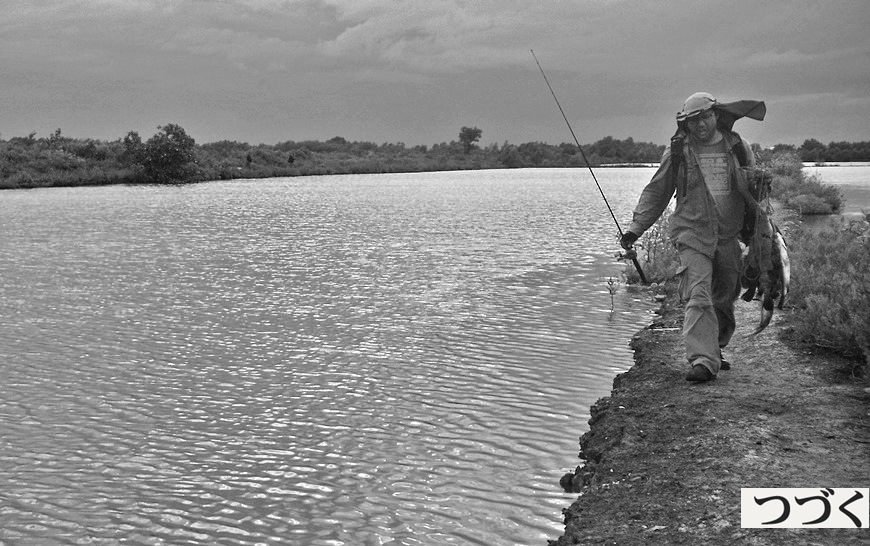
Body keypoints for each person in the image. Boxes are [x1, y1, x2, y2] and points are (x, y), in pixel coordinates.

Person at [620, 92, 760, 382]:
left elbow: (755, 192)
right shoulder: (678, 151)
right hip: (691, 233)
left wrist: (760, 229)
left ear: (716, 115)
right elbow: (657, 192)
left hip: (728, 234)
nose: (700, 126)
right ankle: (703, 361)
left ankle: (715, 348)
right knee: (698, 294)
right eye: (693, 121)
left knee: (724, 296)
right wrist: (636, 228)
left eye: (705, 118)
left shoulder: (738, 147)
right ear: (686, 124)